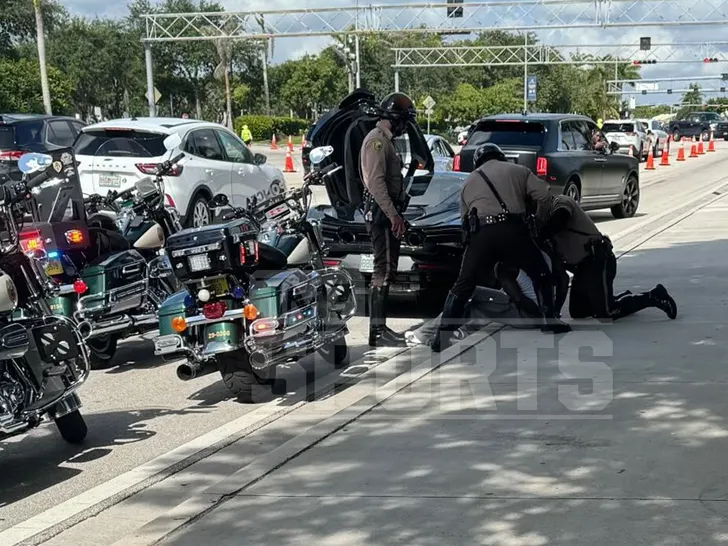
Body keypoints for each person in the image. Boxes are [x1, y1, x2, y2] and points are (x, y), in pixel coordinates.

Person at [432, 142, 571, 353]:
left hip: (481, 234)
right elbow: (544, 195)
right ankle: (549, 321)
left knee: (463, 284)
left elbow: (464, 220)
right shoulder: (519, 171)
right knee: (541, 273)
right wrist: (537, 218)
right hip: (512, 230)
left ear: (478, 162)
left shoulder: (469, 181)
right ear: (500, 156)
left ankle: (442, 337)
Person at [541, 194, 677, 321]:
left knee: (606, 313)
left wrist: (541, 234)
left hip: (598, 259)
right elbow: (561, 278)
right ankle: (614, 299)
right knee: (579, 312)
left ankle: (653, 296)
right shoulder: (540, 222)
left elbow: (559, 218)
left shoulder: (561, 202)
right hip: (581, 267)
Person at [407, 253, 569, 346]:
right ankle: (458, 333)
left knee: (470, 291)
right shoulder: (541, 256)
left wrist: (540, 314)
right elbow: (563, 280)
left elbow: (518, 298)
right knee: (477, 306)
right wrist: (554, 313)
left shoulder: (505, 267)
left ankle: (425, 332)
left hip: (531, 315)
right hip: (541, 313)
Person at [360, 92, 416, 347]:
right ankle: (377, 331)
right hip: (382, 212)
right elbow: (376, 182)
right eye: (404, 120)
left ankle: (380, 328)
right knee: (382, 269)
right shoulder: (377, 142)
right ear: (395, 118)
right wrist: (393, 214)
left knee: (388, 268)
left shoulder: (385, 140)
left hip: (386, 211)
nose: (405, 126)